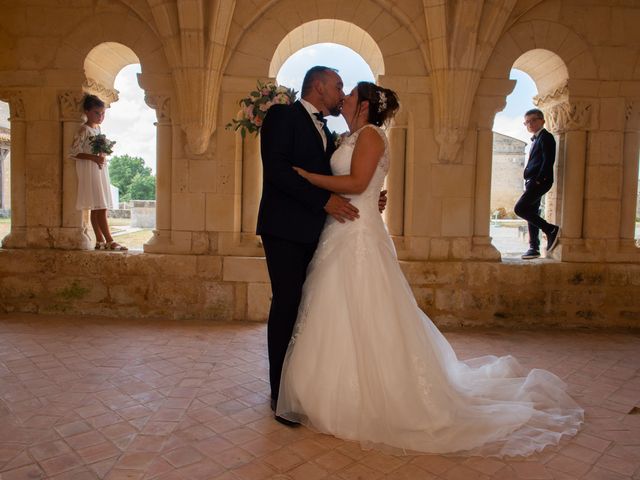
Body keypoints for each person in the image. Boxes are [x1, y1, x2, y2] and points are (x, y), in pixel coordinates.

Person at [277, 82, 583, 457]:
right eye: (342, 89)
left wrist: (308, 179)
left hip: (357, 235)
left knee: (365, 307)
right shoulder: (346, 136)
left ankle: (371, 396)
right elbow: (364, 185)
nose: (345, 96)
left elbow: (357, 183)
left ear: (366, 105)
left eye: (351, 92)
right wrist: (367, 194)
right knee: (333, 309)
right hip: (340, 230)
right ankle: (321, 392)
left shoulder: (371, 135)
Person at [69, 94, 127, 251]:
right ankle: (110, 240)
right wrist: (94, 158)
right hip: (90, 170)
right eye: (97, 113)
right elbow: (73, 152)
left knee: (97, 206)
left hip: (99, 169)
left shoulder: (98, 129)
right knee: (100, 206)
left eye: (102, 114)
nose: (100, 117)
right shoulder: (84, 130)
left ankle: (100, 241)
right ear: (87, 111)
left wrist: (102, 153)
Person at [514, 108, 559, 259]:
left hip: (539, 181)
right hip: (532, 181)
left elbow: (548, 160)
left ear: (542, 120)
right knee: (531, 212)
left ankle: (550, 229)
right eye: (527, 122)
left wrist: (539, 180)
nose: (530, 124)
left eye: (533, 120)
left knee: (520, 209)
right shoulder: (536, 138)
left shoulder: (546, 137)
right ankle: (534, 247)